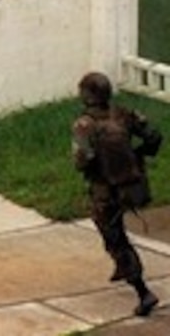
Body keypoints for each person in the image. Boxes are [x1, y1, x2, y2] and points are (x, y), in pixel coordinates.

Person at [71, 71, 162, 318]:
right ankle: (121, 268)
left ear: (87, 96)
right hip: (131, 185)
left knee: (114, 236)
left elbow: (82, 160)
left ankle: (143, 291)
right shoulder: (124, 114)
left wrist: (96, 166)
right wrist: (138, 155)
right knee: (114, 224)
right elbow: (154, 136)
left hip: (104, 188)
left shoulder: (84, 125)